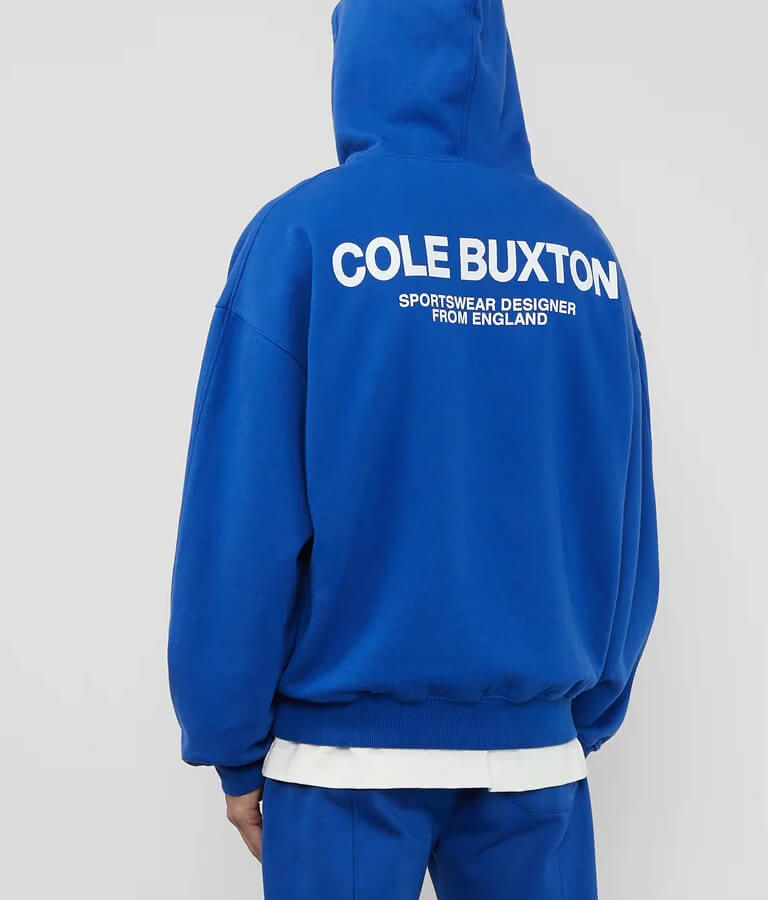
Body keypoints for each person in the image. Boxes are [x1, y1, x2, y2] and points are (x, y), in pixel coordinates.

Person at [168, 1, 659, 897]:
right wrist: (577, 710)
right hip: (535, 756)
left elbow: (242, 512)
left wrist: (229, 737)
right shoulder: (587, 256)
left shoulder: (305, 235)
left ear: (357, 51)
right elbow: (625, 508)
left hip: (342, 758)